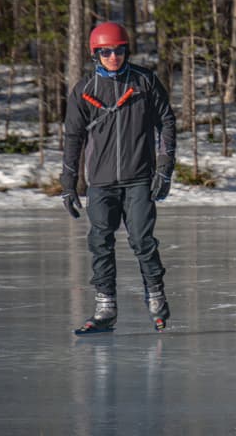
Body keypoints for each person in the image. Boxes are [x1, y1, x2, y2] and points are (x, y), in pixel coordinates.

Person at [60, 21, 176, 334]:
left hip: (139, 178)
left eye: (120, 50)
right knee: (100, 241)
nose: (114, 57)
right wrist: (68, 186)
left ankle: (156, 297)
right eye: (107, 52)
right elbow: (73, 139)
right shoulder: (84, 91)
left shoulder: (144, 81)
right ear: (95, 54)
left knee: (142, 240)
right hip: (100, 182)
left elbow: (166, 123)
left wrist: (164, 167)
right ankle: (105, 308)